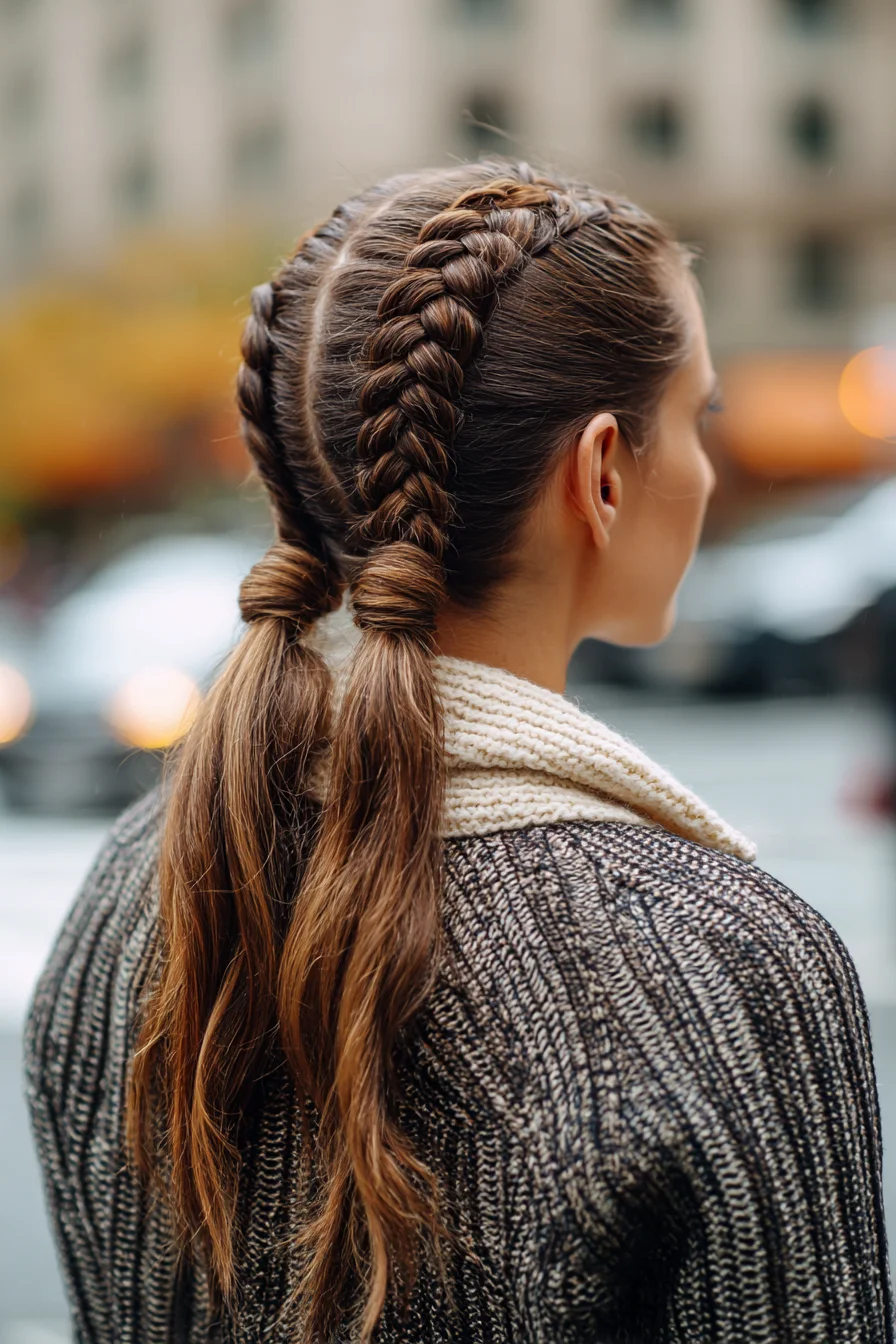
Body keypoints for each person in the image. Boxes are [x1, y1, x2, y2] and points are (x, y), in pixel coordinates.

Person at [24, 158, 894, 1343]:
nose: (703, 465)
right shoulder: (728, 965)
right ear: (600, 474)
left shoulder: (139, 884)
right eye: (696, 418)